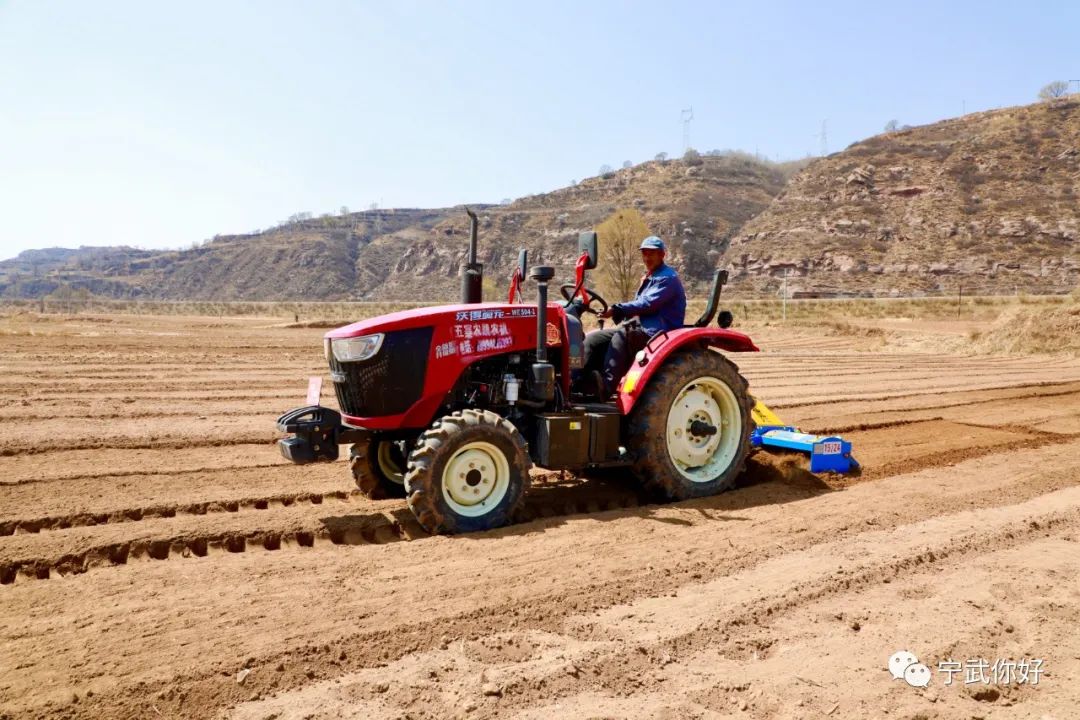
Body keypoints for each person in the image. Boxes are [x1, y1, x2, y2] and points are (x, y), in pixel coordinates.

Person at [583, 235, 687, 396]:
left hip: (658, 330)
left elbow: (647, 304)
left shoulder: (667, 278)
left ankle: (606, 387)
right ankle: (577, 382)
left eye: (651, 253)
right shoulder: (651, 277)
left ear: (662, 255)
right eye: (644, 253)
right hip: (641, 326)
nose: (647, 258)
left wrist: (616, 309)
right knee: (593, 339)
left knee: (621, 336)